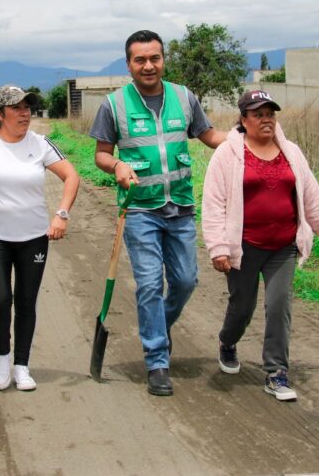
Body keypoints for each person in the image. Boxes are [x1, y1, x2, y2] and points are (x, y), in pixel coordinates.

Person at [89, 30, 226, 396]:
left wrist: (246, 139)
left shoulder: (184, 97)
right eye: (140, 60)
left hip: (180, 207)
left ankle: (158, 329)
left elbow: (209, 135)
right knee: (150, 284)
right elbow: (101, 154)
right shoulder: (114, 104)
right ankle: (157, 362)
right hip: (139, 210)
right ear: (129, 64)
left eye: (155, 58)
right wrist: (116, 165)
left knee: (185, 281)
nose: (148, 65)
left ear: (163, 59)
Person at [201, 89, 319, 401]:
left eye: (270, 113)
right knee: (242, 308)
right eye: (258, 114)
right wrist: (218, 248)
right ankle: (227, 342)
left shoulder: (291, 152)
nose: (266, 119)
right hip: (243, 245)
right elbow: (213, 204)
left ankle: (277, 372)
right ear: (244, 119)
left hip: (283, 246)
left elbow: (312, 199)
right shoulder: (227, 155)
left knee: (279, 304)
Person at [0, 85, 79, 392]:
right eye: (17, 108)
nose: (25, 114)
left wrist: (61, 214)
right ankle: (1, 356)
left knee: (25, 301)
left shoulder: (41, 144)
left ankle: (21, 365)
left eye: (28, 108)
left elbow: (71, 176)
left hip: (33, 237)